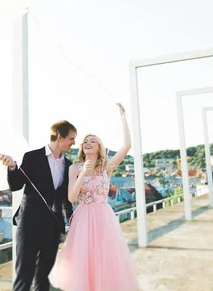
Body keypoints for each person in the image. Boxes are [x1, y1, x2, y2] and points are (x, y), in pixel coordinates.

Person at [49, 103, 140, 291]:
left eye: (93, 141)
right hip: (83, 218)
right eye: (85, 141)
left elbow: (127, 146)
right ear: (82, 147)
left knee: (105, 258)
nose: (88, 143)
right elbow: (72, 198)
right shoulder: (74, 168)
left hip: (103, 217)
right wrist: (83, 174)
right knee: (84, 260)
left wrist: (123, 119)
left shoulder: (107, 166)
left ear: (99, 147)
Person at [0, 120, 76, 291]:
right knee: (24, 277)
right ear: (60, 136)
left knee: (43, 279)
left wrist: (72, 222)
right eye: (71, 138)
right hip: (29, 225)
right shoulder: (32, 157)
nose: (74, 143)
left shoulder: (69, 165)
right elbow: (16, 185)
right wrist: (12, 167)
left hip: (53, 228)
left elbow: (66, 199)